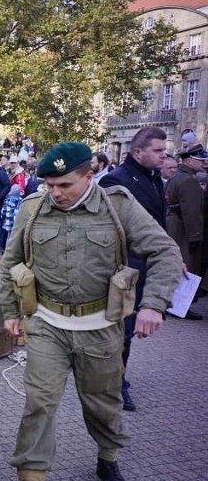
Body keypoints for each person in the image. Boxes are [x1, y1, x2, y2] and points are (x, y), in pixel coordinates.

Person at [0, 142, 182, 481]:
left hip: (100, 328)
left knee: (102, 403)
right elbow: (10, 261)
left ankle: (108, 461)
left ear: (88, 174)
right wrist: (11, 312)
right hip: (47, 325)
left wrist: (153, 304)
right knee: (38, 404)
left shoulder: (118, 206)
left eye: (64, 184)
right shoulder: (33, 209)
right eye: (49, 185)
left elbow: (165, 251)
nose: (56, 193)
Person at [99, 126, 170, 410]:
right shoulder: (115, 182)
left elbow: (156, 227)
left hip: (144, 267)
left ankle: (116, 380)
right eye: (158, 151)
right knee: (121, 330)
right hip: (123, 270)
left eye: (164, 151)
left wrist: (169, 256)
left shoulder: (154, 178)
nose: (164, 157)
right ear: (138, 152)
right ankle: (115, 386)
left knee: (126, 332)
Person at [165, 142, 205, 317]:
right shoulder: (189, 180)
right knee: (186, 266)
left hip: (175, 224)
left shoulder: (177, 176)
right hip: (183, 227)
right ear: (189, 161)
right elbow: (192, 211)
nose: (203, 162)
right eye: (199, 159)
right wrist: (195, 236)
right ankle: (180, 307)